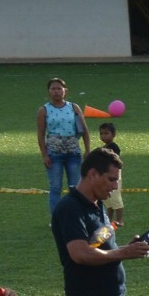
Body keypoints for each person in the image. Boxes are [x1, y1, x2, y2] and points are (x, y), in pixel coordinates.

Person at [53, 148, 149, 296]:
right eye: (111, 179)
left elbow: (98, 245)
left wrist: (126, 249)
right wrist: (123, 252)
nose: (115, 187)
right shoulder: (71, 208)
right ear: (92, 174)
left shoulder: (97, 204)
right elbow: (80, 253)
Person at [37, 78, 87, 215]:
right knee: (55, 188)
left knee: (75, 187)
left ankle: (77, 215)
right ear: (49, 92)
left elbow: (84, 130)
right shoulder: (44, 110)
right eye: (53, 89)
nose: (56, 91)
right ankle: (56, 218)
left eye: (59, 88)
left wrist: (87, 149)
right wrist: (44, 154)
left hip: (73, 152)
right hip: (54, 153)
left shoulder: (74, 107)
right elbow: (41, 134)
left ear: (65, 91)